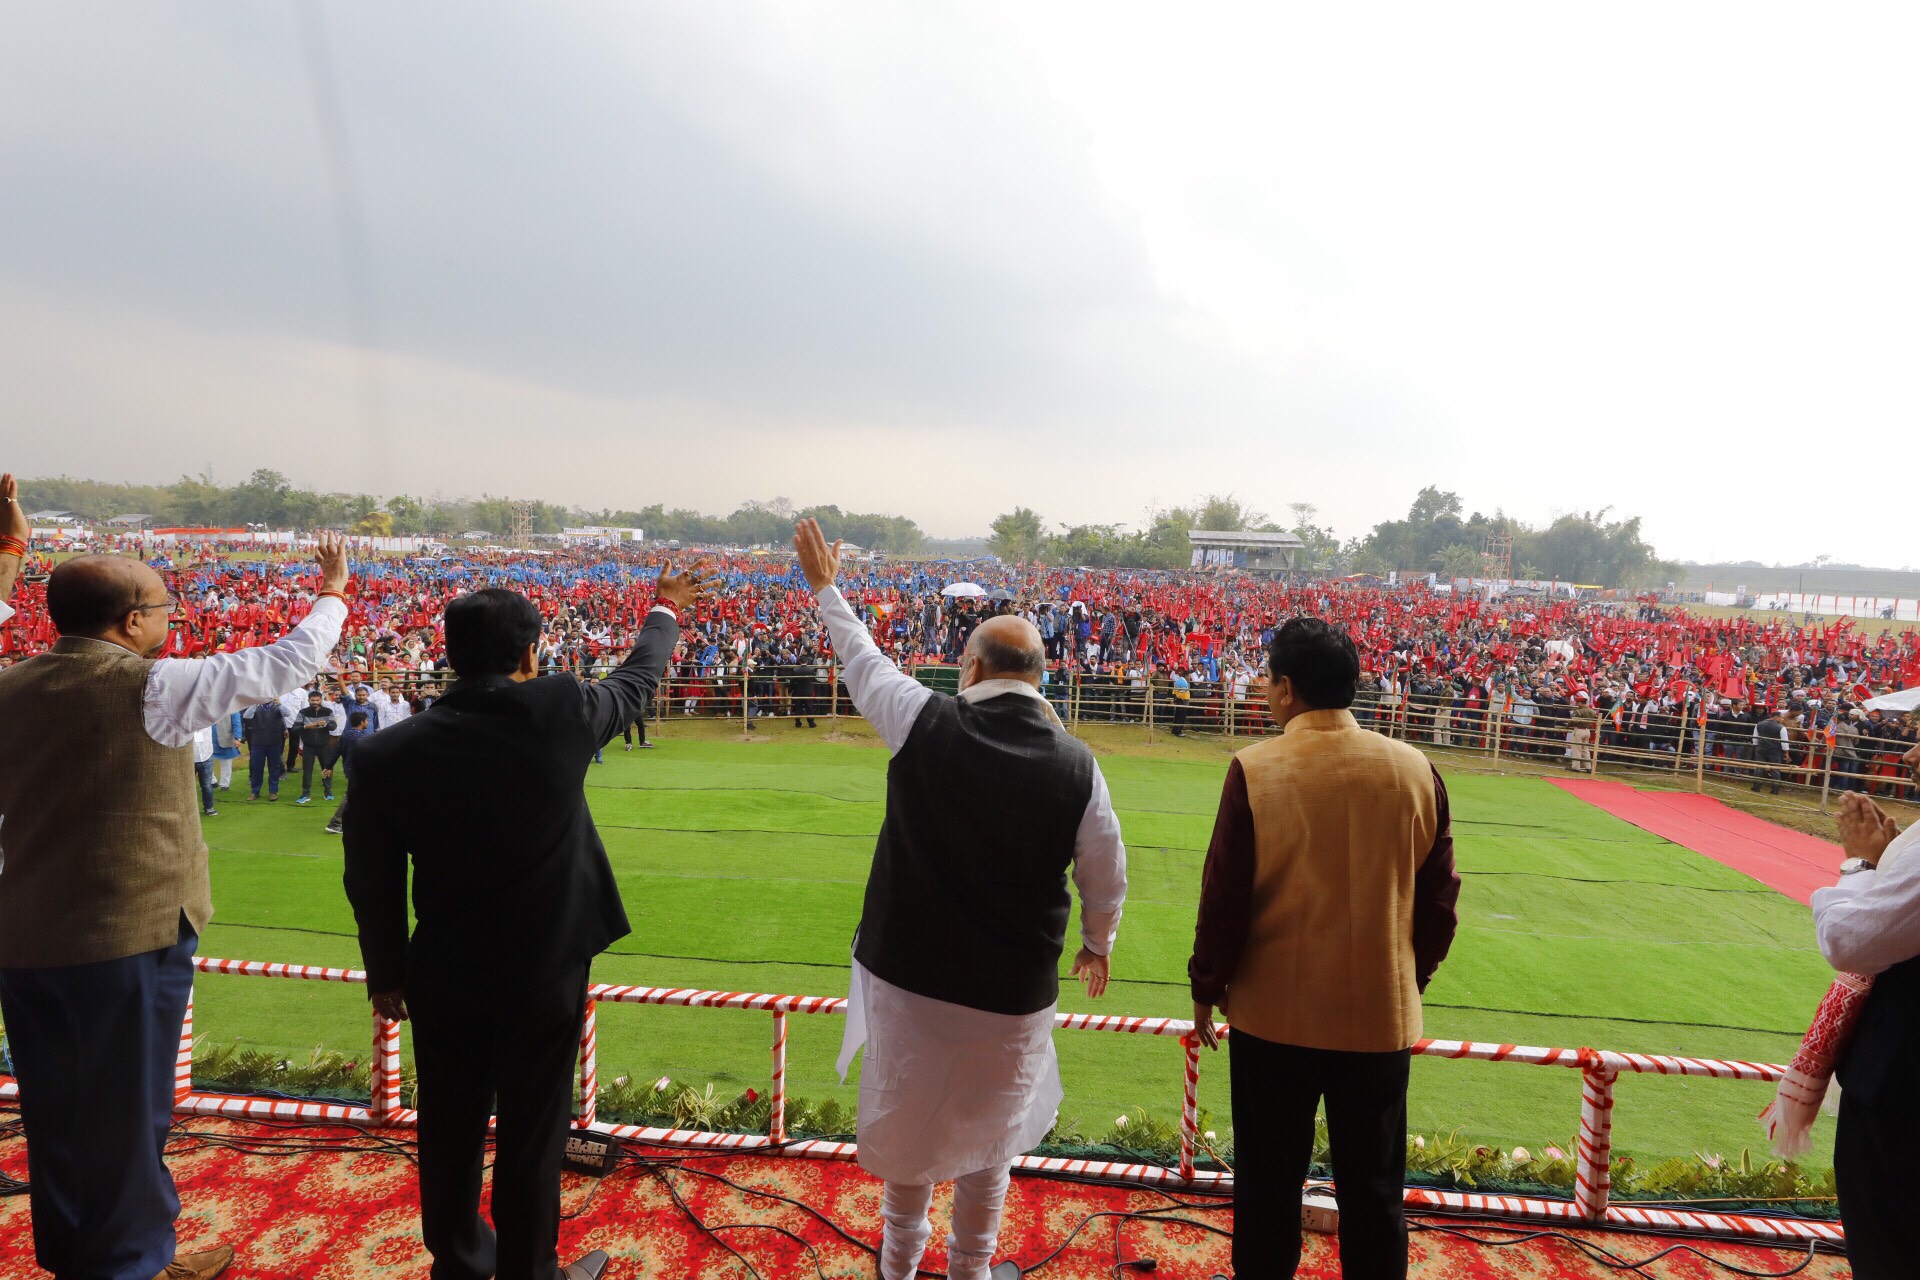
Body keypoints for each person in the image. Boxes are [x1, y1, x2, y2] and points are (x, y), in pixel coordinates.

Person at [342, 563, 710, 1280]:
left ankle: (458, 1260)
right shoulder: (558, 710)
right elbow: (637, 682)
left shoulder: (386, 752)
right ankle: (528, 1271)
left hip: (442, 969)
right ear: (530, 656)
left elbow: (371, 878)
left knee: (447, 1128)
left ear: (449, 654)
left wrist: (386, 971)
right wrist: (664, 606)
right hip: (545, 967)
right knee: (532, 1134)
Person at [0, 532, 349, 1280]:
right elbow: (288, 661)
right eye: (163, 607)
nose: (171, 619)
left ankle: (82, 1258)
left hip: (25, 940)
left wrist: (6, 560)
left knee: (55, 1114)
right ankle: (131, 1265)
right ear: (130, 622)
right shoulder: (155, 687)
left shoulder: (11, 684)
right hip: (127, 939)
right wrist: (333, 594)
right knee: (126, 1119)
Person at [793, 520, 1128, 1280]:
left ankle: (898, 1269)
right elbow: (1106, 877)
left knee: (912, 1143)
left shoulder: (922, 718)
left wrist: (825, 587)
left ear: (968, 667)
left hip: (908, 985)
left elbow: (861, 658)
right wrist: (1097, 946)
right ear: (1041, 676)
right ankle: (971, 1271)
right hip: (1012, 1000)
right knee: (988, 1149)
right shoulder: (1081, 769)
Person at [1188, 617, 1460, 1280]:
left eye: (1268, 677)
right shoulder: (1414, 771)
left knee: (1267, 1189)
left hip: (1272, 1019)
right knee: (1373, 1191)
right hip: (1378, 1015)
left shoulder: (1256, 769)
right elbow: (1440, 905)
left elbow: (1224, 898)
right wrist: (1404, 975)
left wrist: (1206, 989)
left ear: (1286, 689)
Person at [1809, 740, 1920, 1277]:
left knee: (1889, 1247)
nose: (1912, 755)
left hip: (1904, 1087)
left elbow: (1850, 941)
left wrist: (1860, 863)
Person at [291, 687, 338, 804]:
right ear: (308, 700)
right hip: (308, 746)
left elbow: (333, 726)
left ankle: (328, 792)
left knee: (327, 769)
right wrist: (308, 726)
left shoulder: (327, 711)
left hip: (324, 745)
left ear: (321, 700)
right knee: (307, 770)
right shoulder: (303, 712)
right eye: (313, 700)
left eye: (317, 700)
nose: (315, 703)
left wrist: (326, 724)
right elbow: (294, 729)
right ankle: (305, 793)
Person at [243, 695, 289, 800]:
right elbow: (246, 715)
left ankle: (273, 792)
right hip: (258, 742)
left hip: (274, 741)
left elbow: (287, 714)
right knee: (257, 768)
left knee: (274, 768)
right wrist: (255, 703)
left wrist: (279, 703)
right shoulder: (256, 706)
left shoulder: (277, 706)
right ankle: (255, 792)